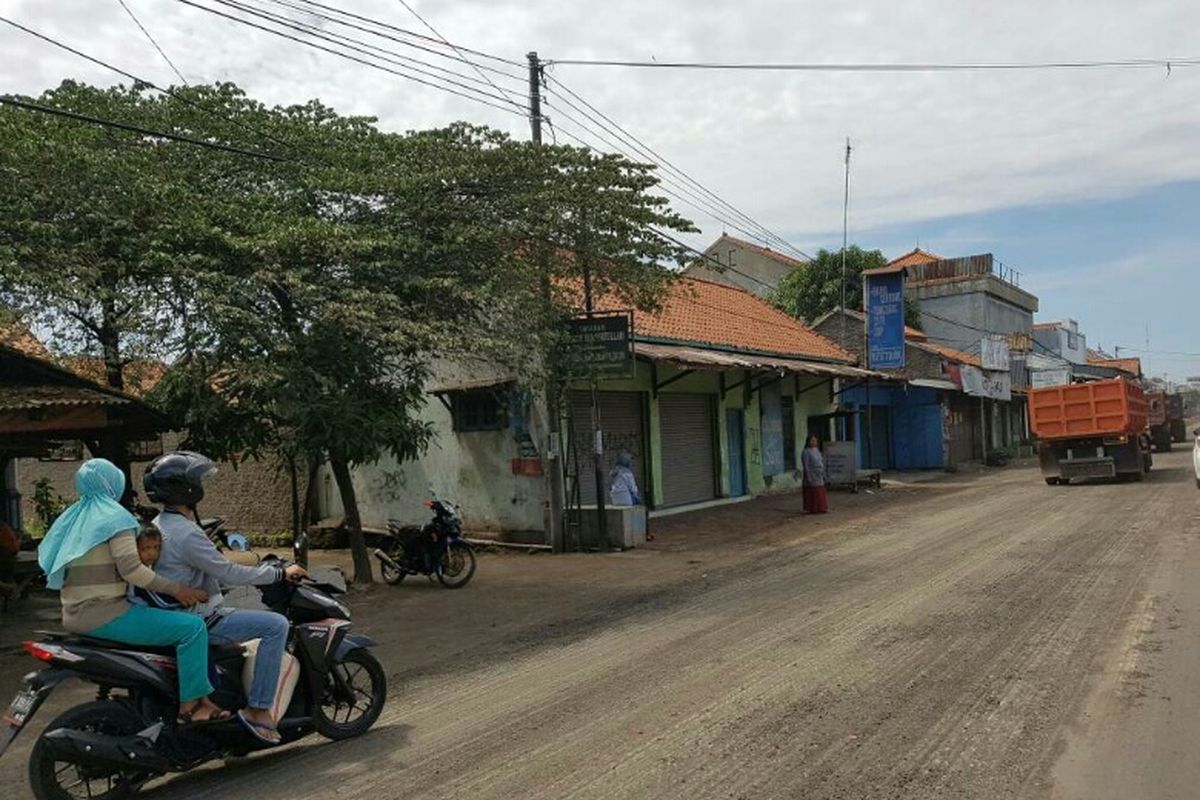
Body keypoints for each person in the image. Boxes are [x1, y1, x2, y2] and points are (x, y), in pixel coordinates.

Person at [36, 459, 225, 724]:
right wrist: (178, 589)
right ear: (114, 483)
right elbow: (132, 570)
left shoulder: (76, 517)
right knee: (192, 628)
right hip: (107, 613)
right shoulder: (115, 518)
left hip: (74, 614)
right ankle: (191, 707)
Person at [144, 451, 306, 746]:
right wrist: (280, 574)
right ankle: (258, 709)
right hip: (200, 617)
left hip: (173, 611)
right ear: (187, 488)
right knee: (276, 625)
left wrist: (252, 562)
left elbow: (210, 567)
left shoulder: (160, 525)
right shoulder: (186, 532)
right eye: (197, 479)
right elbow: (228, 572)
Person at [801, 435, 829, 514]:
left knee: (820, 491)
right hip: (811, 473)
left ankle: (821, 507)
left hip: (819, 473)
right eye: (812, 441)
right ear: (808, 442)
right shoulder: (806, 452)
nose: (813, 442)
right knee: (813, 491)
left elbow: (821, 461)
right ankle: (812, 508)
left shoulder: (817, 451)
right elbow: (806, 465)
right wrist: (808, 476)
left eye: (815, 441)